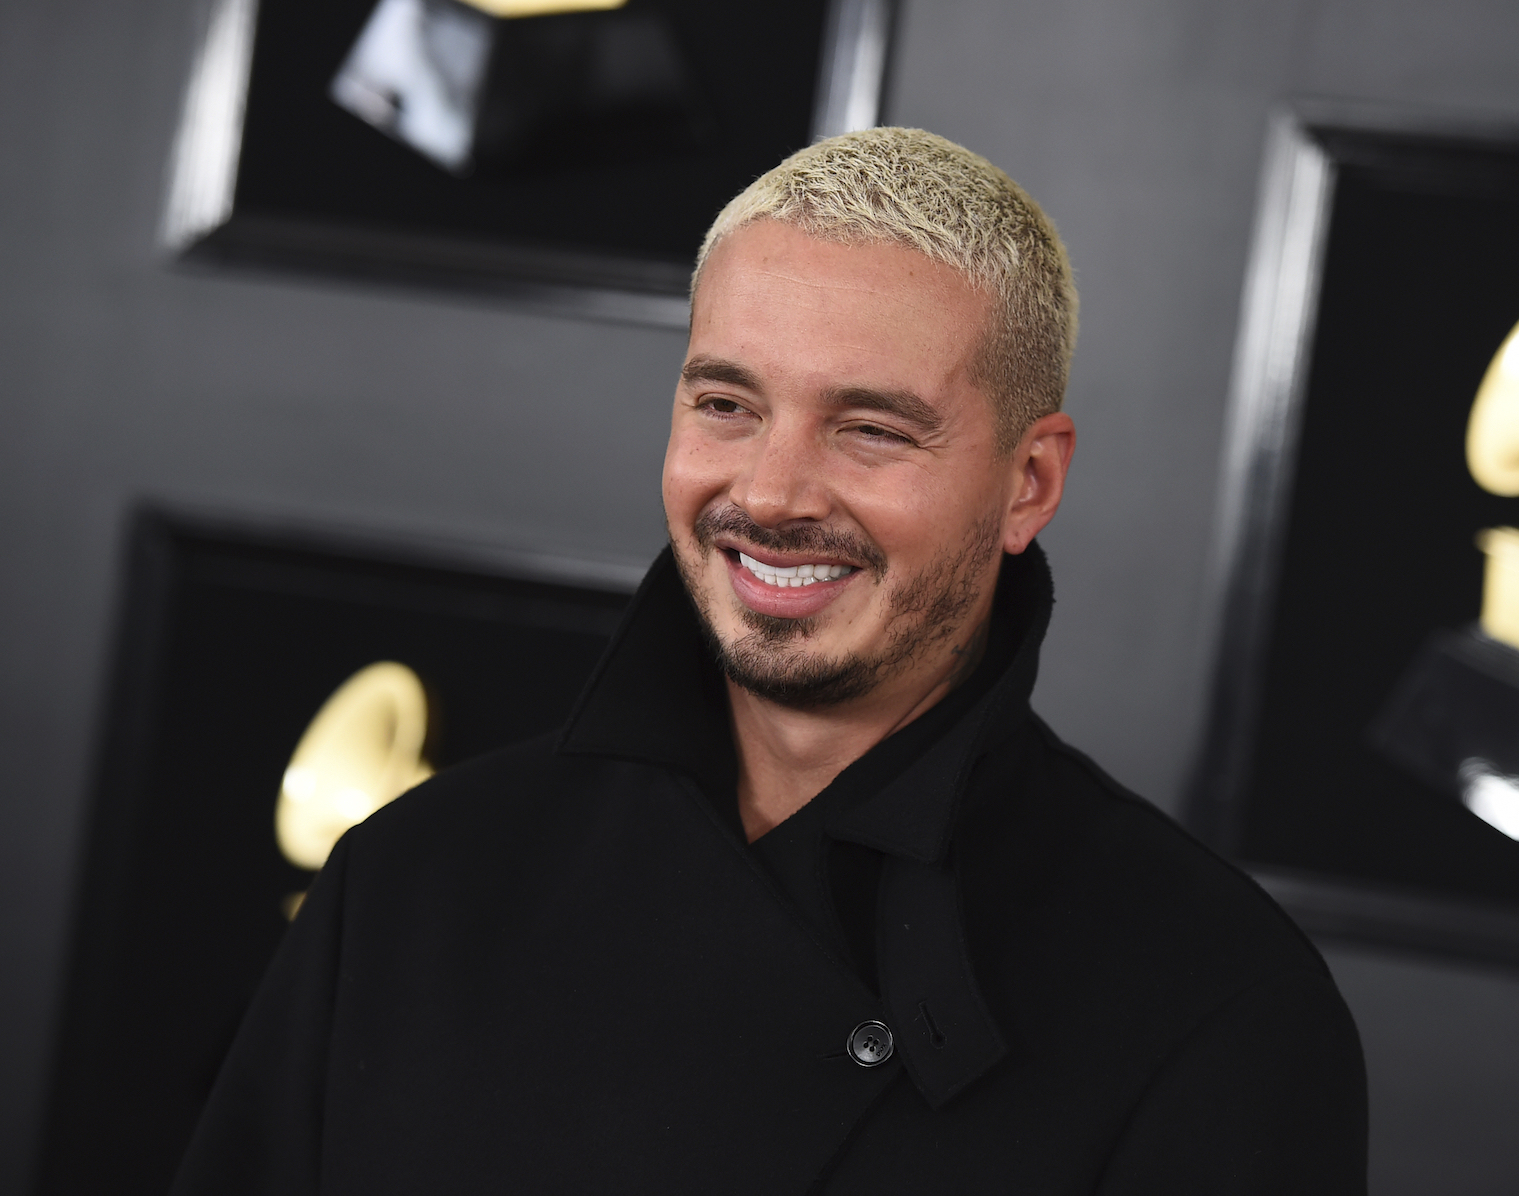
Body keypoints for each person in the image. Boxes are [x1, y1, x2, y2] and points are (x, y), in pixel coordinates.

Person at [172, 127, 1366, 1194]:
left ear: (1028, 482)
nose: (771, 494)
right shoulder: (414, 878)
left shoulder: (1216, 1005)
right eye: (728, 405)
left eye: (871, 428)